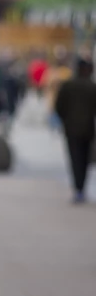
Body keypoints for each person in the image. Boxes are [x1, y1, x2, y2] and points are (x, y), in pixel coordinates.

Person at [55, 59, 96, 204]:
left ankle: (78, 187)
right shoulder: (92, 86)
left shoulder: (68, 86)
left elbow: (58, 106)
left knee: (75, 158)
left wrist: (66, 120)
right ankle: (81, 187)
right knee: (84, 159)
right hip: (88, 129)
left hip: (71, 128)